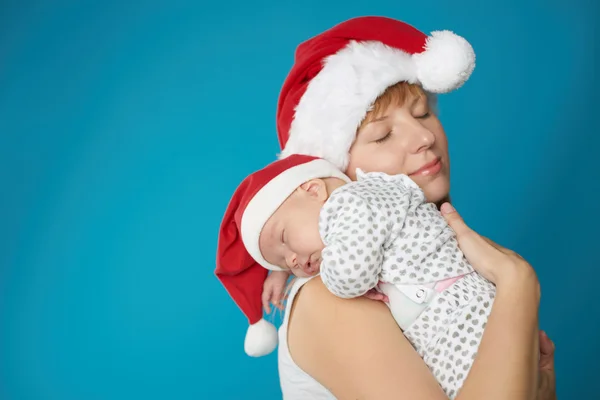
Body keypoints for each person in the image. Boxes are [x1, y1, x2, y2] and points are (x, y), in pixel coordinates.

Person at [269, 16, 555, 400]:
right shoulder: (331, 295)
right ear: (332, 177)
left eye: (423, 114)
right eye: (383, 135)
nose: (424, 137)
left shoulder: (453, 269)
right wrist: (519, 284)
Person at [216, 153, 498, 398]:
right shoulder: (321, 294)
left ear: (314, 190)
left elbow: (349, 275)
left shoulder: (351, 202)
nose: (291, 261)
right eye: (282, 263)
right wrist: (517, 281)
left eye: (285, 238)